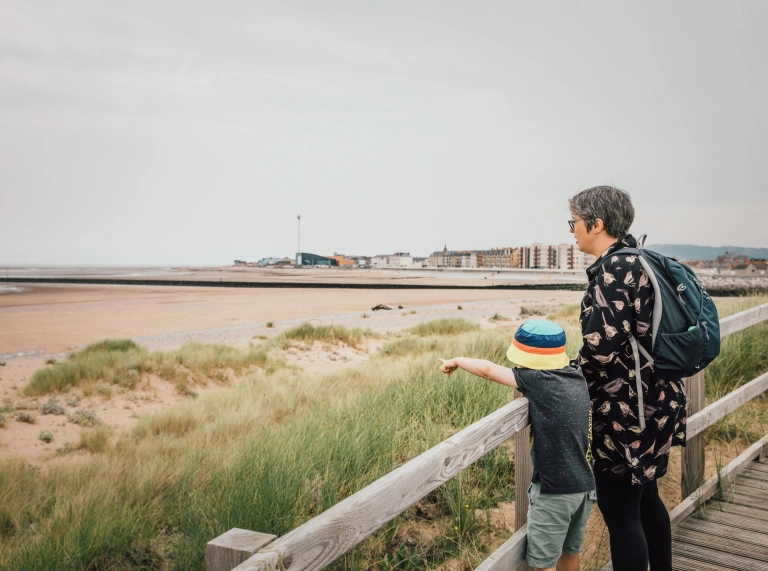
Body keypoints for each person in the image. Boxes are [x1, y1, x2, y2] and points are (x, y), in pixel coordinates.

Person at [569, 185, 686, 571]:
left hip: (630, 411)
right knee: (646, 497)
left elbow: (600, 349)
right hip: (660, 401)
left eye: (574, 222)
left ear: (596, 224)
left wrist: (562, 377)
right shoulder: (642, 258)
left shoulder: (614, 269)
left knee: (620, 512)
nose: (572, 230)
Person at [438, 319, 595, 571]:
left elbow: (489, 370)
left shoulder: (536, 379)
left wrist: (455, 360)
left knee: (543, 563)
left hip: (555, 491)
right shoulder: (574, 374)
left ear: (525, 361)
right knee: (570, 551)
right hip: (584, 485)